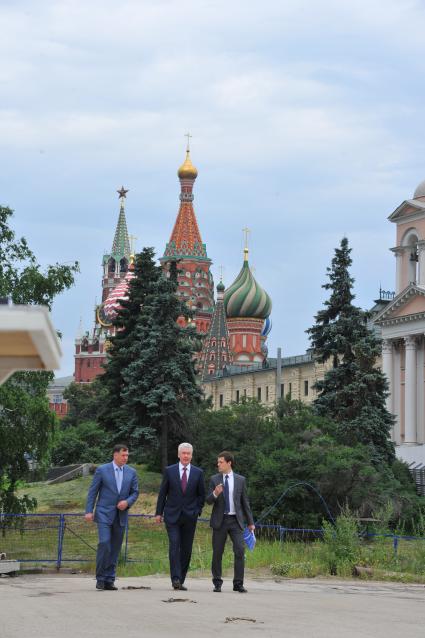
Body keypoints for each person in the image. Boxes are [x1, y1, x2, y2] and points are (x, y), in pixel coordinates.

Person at [85, 444, 139, 590]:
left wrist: (127, 502)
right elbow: (93, 491)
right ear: (115, 455)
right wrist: (89, 510)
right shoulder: (102, 470)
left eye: (127, 455)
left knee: (115, 548)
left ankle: (110, 579)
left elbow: (135, 492)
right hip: (103, 513)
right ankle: (100, 578)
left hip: (121, 515)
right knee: (104, 543)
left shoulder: (131, 472)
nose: (126, 458)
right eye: (123, 455)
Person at [155, 442, 205, 590]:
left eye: (188, 453)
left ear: (191, 455)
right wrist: (159, 512)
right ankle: (175, 578)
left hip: (190, 516)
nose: (186, 456)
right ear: (178, 454)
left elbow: (201, 495)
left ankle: (181, 579)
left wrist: (197, 511)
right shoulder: (169, 471)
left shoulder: (198, 473)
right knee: (174, 545)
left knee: (186, 549)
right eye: (183, 453)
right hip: (172, 516)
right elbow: (163, 493)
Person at [206, 451, 255, 593]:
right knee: (217, 552)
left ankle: (238, 584)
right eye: (218, 462)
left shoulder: (240, 480)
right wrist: (215, 493)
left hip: (236, 521)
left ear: (229, 463)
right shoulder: (214, 479)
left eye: (221, 462)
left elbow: (245, 502)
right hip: (220, 521)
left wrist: (250, 522)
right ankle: (217, 583)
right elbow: (208, 501)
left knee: (240, 550)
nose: (218, 464)